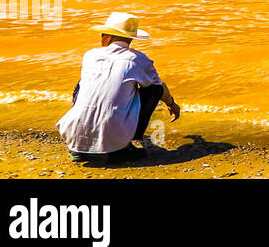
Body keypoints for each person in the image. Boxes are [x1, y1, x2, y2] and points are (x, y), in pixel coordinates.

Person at [56, 12, 180, 163]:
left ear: (108, 37)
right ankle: (122, 147)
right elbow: (159, 88)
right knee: (155, 88)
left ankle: (80, 145)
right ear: (130, 38)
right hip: (114, 141)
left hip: (72, 135)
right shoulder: (138, 60)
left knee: (84, 84)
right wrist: (171, 104)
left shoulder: (90, 55)